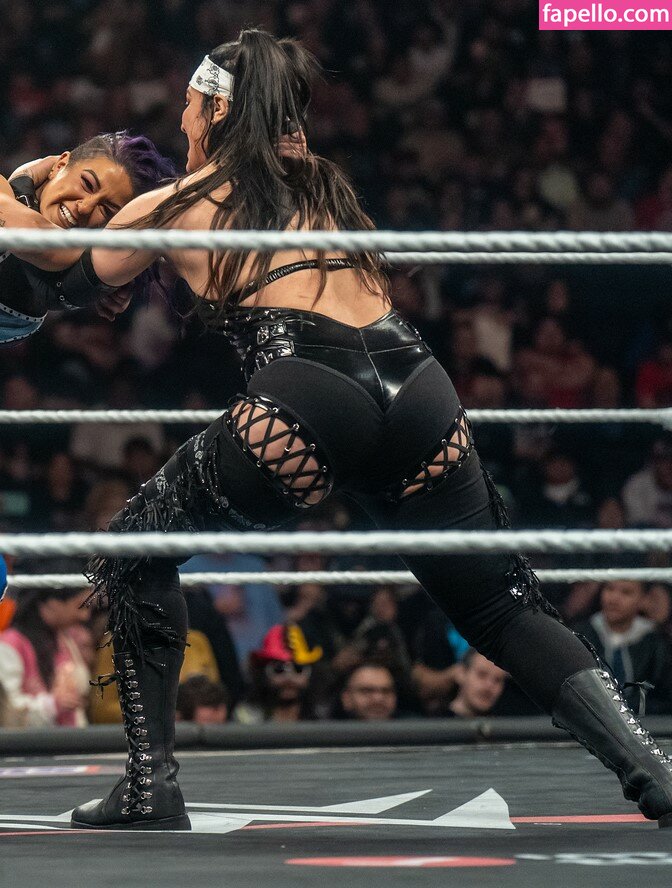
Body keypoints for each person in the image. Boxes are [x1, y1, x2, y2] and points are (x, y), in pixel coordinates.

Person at [5, 29, 672, 832]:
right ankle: (651, 769)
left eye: (188, 105)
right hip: (418, 385)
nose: (181, 121)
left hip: (306, 392)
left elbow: (53, 269)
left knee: (133, 550)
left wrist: (24, 181)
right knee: (501, 606)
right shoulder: (320, 182)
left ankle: (152, 789)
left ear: (214, 109)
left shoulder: (175, 203)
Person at [0, 131, 176, 343]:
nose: (85, 207)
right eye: (87, 184)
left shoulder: (78, 273)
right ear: (59, 165)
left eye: (107, 209)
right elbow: (36, 237)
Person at [573, 581, 672, 715]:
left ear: (643, 600)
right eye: (610, 589)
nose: (614, 599)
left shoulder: (655, 643)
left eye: (626, 592)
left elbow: (664, 696)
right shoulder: (581, 635)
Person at [0, 586, 91, 726]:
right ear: (52, 603)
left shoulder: (64, 639)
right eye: (80, 606)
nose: (85, 615)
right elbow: (7, 707)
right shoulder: (10, 644)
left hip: (71, 735)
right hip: (31, 737)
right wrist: (51, 705)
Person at [447, 649, 507, 718]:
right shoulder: (437, 720)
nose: (489, 685)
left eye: (497, 680)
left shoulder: (508, 723)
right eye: (482, 675)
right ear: (461, 673)